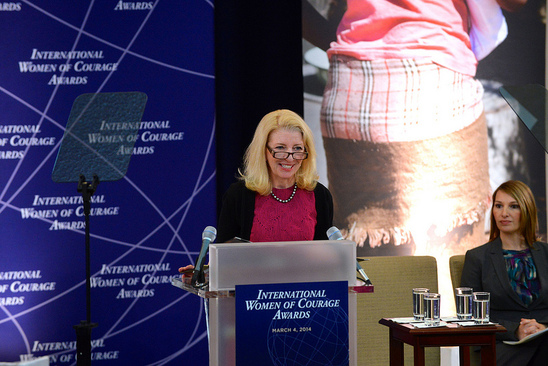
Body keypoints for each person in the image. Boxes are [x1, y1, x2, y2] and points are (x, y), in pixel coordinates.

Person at [179, 109, 334, 274]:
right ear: (263, 151)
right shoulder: (239, 196)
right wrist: (202, 275)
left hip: (305, 297)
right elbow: (224, 261)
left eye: (297, 148)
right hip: (253, 297)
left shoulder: (319, 196)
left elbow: (326, 263)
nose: (290, 158)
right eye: (280, 148)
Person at [461, 180, 548, 365]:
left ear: (527, 210)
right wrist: (515, 330)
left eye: (513, 206)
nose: (504, 213)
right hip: (501, 343)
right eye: (498, 206)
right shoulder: (477, 258)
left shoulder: (546, 254)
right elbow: (469, 316)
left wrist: (543, 327)